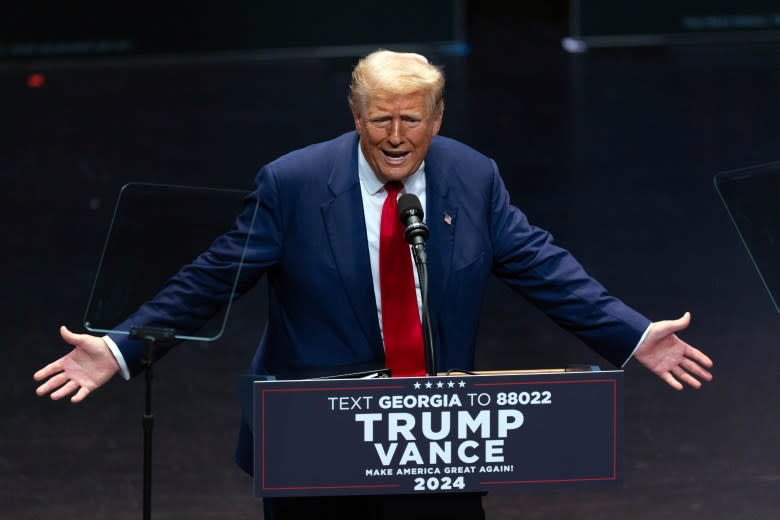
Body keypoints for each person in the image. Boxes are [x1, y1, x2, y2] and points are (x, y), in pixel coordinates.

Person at [34, 50, 713, 519]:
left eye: (411, 119)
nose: (395, 136)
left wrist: (632, 335)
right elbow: (213, 277)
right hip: (316, 440)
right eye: (380, 119)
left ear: (437, 120)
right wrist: (122, 347)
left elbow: (541, 265)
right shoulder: (293, 184)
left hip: (432, 433)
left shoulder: (471, 177)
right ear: (356, 116)